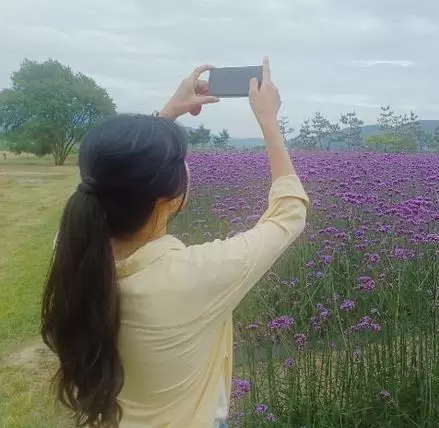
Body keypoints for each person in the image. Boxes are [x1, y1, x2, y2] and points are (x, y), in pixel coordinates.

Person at [41, 57, 309, 428]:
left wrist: (166, 115)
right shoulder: (195, 276)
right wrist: (268, 121)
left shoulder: (71, 250)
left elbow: (104, 179)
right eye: (181, 161)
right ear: (167, 201)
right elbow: (290, 214)